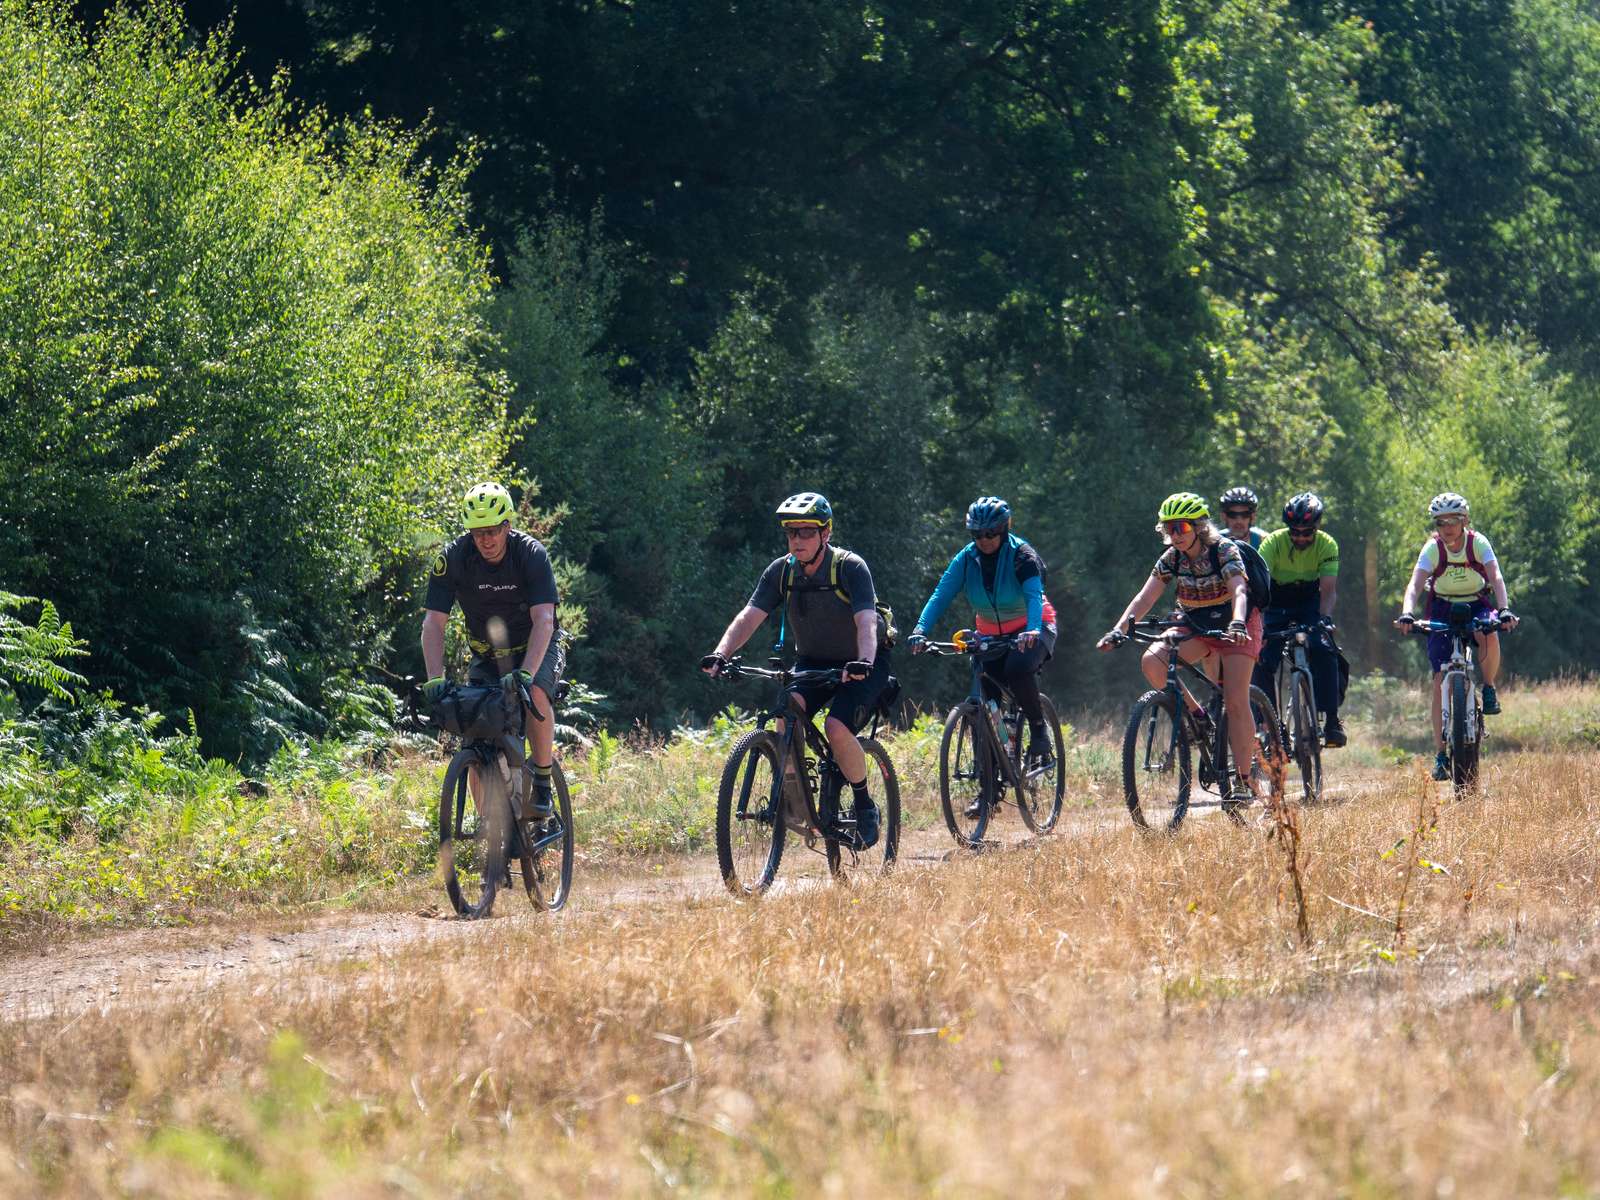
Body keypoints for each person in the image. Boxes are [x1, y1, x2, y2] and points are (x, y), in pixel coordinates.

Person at [700, 492, 889, 847]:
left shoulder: (850, 567)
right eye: (791, 533)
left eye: (805, 531)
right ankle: (795, 799)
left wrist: (862, 662)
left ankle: (864, 804)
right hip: (814, 663)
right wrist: (720, 653)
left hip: (864, 662)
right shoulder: (781, 571)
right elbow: (749, 616)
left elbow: (866, 623)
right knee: (785, 717)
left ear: (825, 533)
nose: (797, 540)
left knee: (836, 726)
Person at [1097, 492, 1264, 802]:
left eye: (1181, 528)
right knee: (1153, 660)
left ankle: (1243, 781)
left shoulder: (1223, 550)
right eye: (1168, 529)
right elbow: (1144, 598)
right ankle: (1197, 715)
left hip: (1235, 623)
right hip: (1196, 622)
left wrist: (1239, 622)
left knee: (1235, 700)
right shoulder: (1171, 558)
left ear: (1198, 527)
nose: (1174, 535)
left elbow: (1239, 590)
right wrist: (1117, 631)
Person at [421, 482, 565, 821]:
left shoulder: (530, 554)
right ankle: (491, 833)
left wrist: (527, 673)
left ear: (507, 526)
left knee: (537, 696)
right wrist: (434, 679)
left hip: (537, 646)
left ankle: (542, 782)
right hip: (488, 656)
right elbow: (433, 624)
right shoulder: (454, 557)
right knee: (475, 733)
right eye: (477, 532)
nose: (484, 540)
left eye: (491, 531)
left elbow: (544, 619)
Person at [905, 496, 1059, 812]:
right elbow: (941, 594)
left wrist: (1031, 629)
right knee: (983, 709)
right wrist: (920, 630)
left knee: (1018, 670)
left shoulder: (1022, 556)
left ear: (1004, 530)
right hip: (989, 635)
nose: (984, 541)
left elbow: (1033, 596)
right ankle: (989, 791)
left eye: (990, 534)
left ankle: (1039, 729)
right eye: (977, 534)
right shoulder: (966, 559)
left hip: (1035, 627)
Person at [1395, 492, 1518, 781]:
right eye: (1441, 522)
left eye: (1453, 521)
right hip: (1442, 607)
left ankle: (1487, 687)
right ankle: (1440, 754)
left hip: (1477, 602)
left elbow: (1496, 577)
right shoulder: (1432, 548)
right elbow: (1414, 583)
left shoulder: (1478, 543)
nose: (1447, 528)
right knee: (1439, 682)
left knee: (1488, 633)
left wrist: (1504, 610)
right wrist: (1407, 613)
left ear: (1464, 521)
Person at [1254, 492, 1346, 747]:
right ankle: (1270, 723)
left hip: (1309, 600)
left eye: (1308, 532)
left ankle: (1331, 720)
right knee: (1262, 658)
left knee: (1324, 650)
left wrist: (1325, 618)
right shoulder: (1272, 543)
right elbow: (1260, 587)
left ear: (1317, 527)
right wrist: (1259, 624)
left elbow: (1328, 590)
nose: (1301, 537)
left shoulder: (1327, 544)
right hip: (1275, 599)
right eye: (1295, 531)